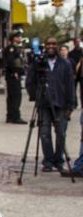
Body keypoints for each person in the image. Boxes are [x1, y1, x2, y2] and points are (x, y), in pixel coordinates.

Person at [26, 37, 77, 172]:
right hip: (44, 104)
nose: (51, 46)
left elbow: (71, 85)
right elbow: (30, 80)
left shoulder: (65, 64)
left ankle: (58, 160)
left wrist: (71, 105)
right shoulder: (39, 63)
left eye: (53, 44)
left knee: (61, 133)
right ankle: (48, 161)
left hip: (61, 103)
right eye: (48, 44)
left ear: (57, 46)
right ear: (45, 45)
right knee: (44, 133)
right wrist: (34, 95)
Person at [2, 32, 28, 123]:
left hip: (14, 75)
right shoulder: (11, 48)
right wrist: (15, 71)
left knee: (12, 96)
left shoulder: (16, 48)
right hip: (13, 75)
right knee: (16, 96)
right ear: (14, 38)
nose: (20, 38)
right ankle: (15, 116)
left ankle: (10, 116)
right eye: (19, 36)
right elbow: (10, 61)